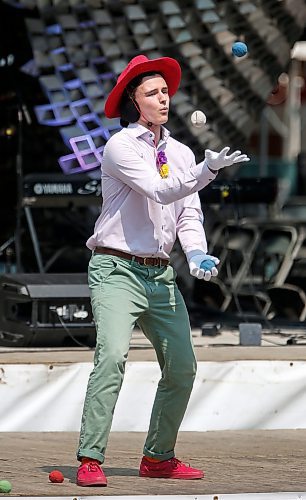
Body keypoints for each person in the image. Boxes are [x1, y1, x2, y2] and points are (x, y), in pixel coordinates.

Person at [76, 54, 250, 487]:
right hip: (116, 270)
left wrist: (195, 254)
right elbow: (158, 188)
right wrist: (206, 171)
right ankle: (90, 458)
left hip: (160, 275)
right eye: (152, 92)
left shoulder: (181, 152)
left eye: (165, 91)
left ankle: (158, 457)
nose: (163, 97)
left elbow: (187, 214)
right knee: (113, 356)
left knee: (183, 369)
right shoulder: (120, 147)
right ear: (135, 102)